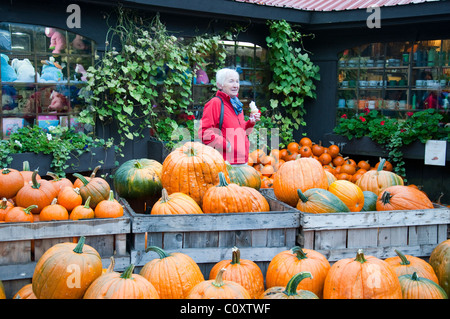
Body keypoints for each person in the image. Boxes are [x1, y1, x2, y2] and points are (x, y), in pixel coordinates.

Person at [198, 68, 260, 164]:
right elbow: (205, 133)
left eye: (237, 81)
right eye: (231, 81)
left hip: (242, 161)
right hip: (225, 163)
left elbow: (242, 131)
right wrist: (226, 145)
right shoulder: (215, 103)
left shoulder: (237, 105)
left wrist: (251, 122)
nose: (235, 85)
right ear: (220, 85)